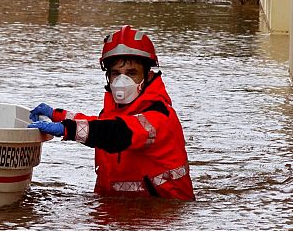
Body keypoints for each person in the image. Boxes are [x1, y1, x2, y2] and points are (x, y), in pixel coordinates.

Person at [28, 25, 194, 200]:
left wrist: (67, 129)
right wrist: (57, 115)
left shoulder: (160, 116)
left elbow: (118, 132)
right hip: (117, 211)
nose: (122, 81)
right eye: (116, 73)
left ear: (148, 76)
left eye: (131, 73)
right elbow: (99, 124)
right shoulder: (115, 111)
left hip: (159, 216)